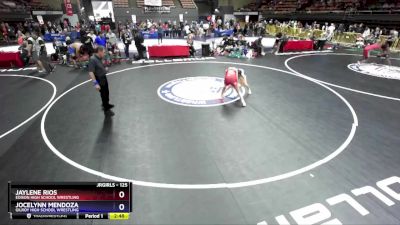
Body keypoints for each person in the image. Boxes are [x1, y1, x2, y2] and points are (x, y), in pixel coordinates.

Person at [88, 46, 114, 112]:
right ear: (99, 51)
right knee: (103, 93)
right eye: (103, 52)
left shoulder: (100, 57)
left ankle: (106, 103)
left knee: (106, 92)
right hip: (99, 79)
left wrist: (105, 68)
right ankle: (106, 106)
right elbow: (91, 72)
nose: (104, 53)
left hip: (103, 77)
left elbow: (101, 65)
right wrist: (95, 83)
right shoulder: (92, 59)